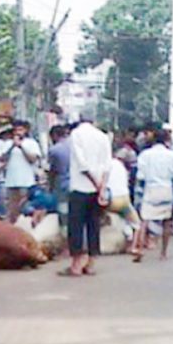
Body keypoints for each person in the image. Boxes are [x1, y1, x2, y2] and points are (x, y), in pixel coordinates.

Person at [59, 117, 111, 277]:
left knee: (76, 226)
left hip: (80, 187)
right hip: (98, 190)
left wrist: (95, 183)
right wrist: (101, 187)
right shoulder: (102, 136)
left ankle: (76, 265)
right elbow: (107, 164)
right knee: (93, 225)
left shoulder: (76, 134)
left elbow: (82, 164)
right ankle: (91, 264)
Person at [131, 127, 173, 262]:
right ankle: (163, 252)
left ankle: (139, 250)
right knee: (167, 221)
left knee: (144, 220)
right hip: (166, 189)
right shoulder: (172, 155)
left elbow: (141, 175)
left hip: (150, 189)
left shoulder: (145, 155)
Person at [0, 120, 41, 223]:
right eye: (15, 130)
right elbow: (3, 158)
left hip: (26, 181)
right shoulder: (7, 143)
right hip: (11, 181)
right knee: (12, 208)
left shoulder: (31, 143)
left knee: (25, 207)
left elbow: (32, 159)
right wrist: (12, 146)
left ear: (26, 130)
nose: (17, 132)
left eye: (20, 129)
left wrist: (21, 146)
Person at [105, 156, 140, 237]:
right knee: (136, 223)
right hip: (124, 199)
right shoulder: (120, 165)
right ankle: (132, 246)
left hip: (109, 200)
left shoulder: (103, 164)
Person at [47, 124, 70, 227]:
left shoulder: (54, 150)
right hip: (78, 183)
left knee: (63, 208)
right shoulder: (74, 145)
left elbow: (53, 171)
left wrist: (50, 186)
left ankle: (64, 229)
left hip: (63, 183)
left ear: (54, 136)